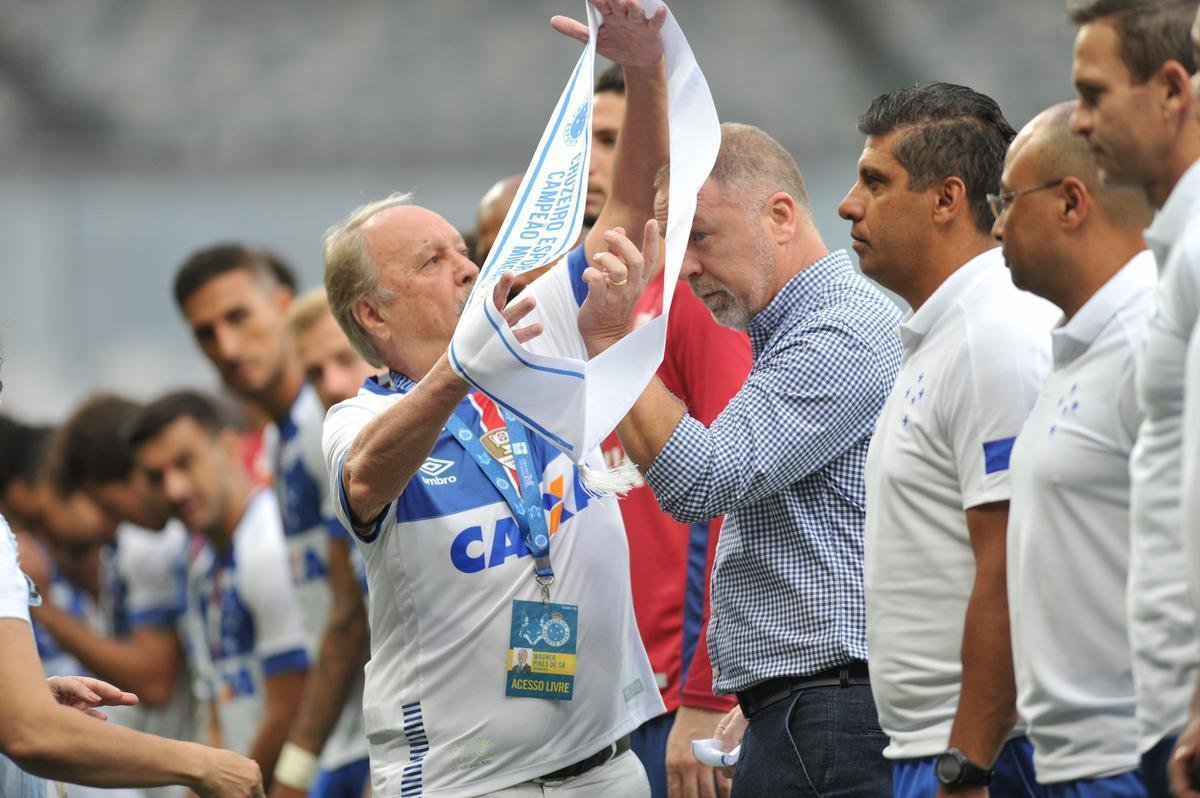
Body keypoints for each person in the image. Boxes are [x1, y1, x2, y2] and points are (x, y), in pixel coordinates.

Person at [320, 5, 670, 794]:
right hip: (466, 783)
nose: (468, 269)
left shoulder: (531, 337)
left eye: (464, 251)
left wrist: (644, 68)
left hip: (608, 767)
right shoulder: (360, 418)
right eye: (433, 261)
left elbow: (624, 213)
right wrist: (460, 371)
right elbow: (366, 481)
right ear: (372, 313)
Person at [575, 119, 902, 797]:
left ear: (779, 215)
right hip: (807, 707)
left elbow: (704, 478)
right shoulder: (789, 329)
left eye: (700, 235)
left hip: (835, 712)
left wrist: (614, 340)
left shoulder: (838, 326)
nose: (685, 266)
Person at [839, 82, 1056, 797]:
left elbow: (1013, 569)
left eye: (875, 182)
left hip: (987, 753)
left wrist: (969, 761)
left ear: (946, 199)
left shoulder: (993, 334)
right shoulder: (939, 337)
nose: (848, 204)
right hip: (932, 746)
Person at [576, 58, 752, 798]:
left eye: (614, 139)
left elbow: (735, 484)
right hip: (581, 690)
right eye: (581, 142)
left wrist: (708, 694)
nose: (592, 163)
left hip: (672, 693)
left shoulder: (689, 287)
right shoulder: (568, 300)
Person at [996, 101, 1155, 795]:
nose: (995, 224)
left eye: (1007, 200)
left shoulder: (1154, 340)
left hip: (1132, 755)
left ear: (1070, 202)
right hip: (1068, 758)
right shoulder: (1074, 349)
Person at [173, 246, 371, 798]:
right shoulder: (280, 439)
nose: (227, 348)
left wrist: (293, 769)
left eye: (238, 318)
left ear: (283, 305)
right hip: (344, 739)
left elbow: (353, 611)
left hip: (377, 742)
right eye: (206, 334)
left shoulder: (322, 418)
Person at [1067, 2, 1200, 794]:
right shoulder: (1178, 249)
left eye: (1093, 94)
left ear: (1173, 90)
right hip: (1165, 703)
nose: (1079, 122)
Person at [129, 391, 310, 791]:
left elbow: (291, 704)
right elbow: (215, 710)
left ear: (228, 448)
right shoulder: (199, 570)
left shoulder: (268, 543)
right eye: (156, 477)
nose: (174, 489)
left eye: (185, 463)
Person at [37, 395, 195, 768]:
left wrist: (45, 611)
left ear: (134, 475)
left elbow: (153, 680)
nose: (108, 523)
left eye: (108, 507)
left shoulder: (149, 543)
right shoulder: (137, 545)